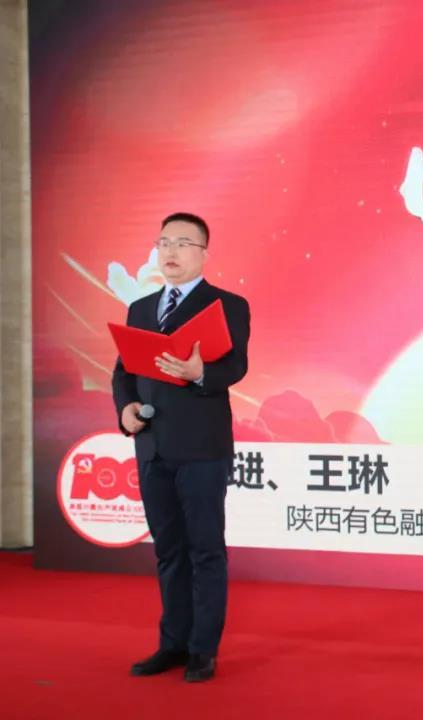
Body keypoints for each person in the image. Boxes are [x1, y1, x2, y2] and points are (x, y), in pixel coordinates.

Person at [111, 212, 250, 683]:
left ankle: (202, 650)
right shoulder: (141, 308)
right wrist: (126, 409)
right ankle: (171, 643)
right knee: (168, 550)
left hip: (203, 448)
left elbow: (236, 367)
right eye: (164, 242)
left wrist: (200, 374)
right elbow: (123, 373)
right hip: (152, 446)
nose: (170, 251)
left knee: (205, 550)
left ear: (203, 253)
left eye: (183, 243)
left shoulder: (227, 305)